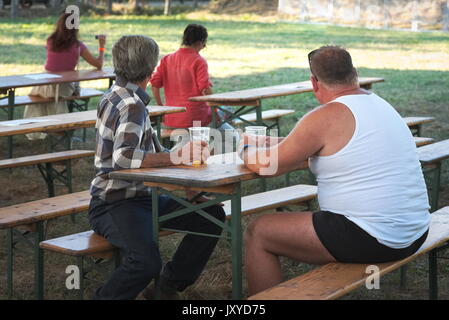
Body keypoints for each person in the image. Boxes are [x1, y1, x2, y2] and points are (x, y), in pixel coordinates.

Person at [239, 46, 430, 296]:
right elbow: (327, 146)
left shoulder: (326, 116)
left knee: (260, 231)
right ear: (355, 74)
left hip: (373, 237)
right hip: (414, 231)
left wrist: (244, 150)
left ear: (314, 82)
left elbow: (267, 166)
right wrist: (275, 143)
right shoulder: (381, 105)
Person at [88, 35, 225, 300]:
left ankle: (166, 286)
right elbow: (124, 157)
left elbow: (153, 154)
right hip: (115, 203)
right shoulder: (131, 104)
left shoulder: (119, 95)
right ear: (152, 68)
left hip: (143, 198)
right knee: (144, 262)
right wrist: (176, 158)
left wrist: (187, 189)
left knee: (209, 215)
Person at [24, 12, 105, 140]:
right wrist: (102, 46)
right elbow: (98, 64)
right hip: (63, 88)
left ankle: (46, 127)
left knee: (48, 97)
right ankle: (60, 128)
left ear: (59, 25)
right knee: (63, 94)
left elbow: (54, 64)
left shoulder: (50, 41)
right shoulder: (78, 46)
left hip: (43, 86)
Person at [150, 23, 213, 130]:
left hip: (171, 118)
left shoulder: (167, 59)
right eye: (204, 44)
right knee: (226, 131)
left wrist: (161, 107)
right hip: (196, 120)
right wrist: (215, 108)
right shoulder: (199, 61)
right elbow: (205, 89)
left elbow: (154, 84)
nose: (203, 47)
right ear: (199, 42)